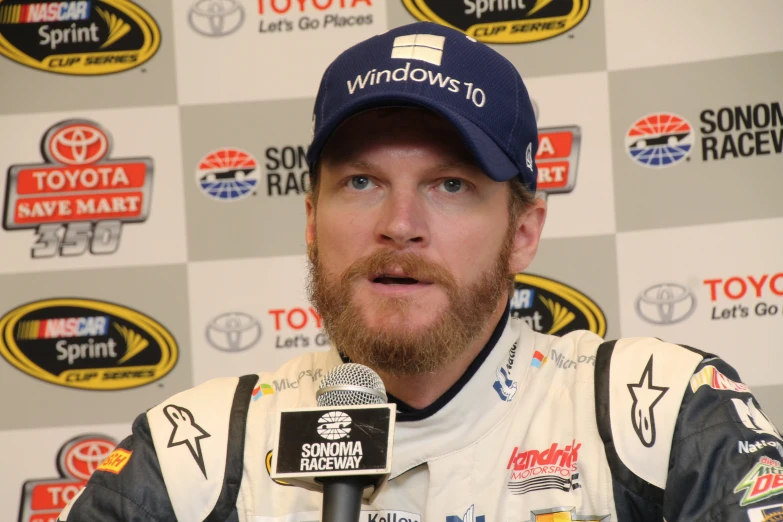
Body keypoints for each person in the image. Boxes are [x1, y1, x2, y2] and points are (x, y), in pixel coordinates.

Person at [59, 22, 783, 522]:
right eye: (362, 183)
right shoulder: (195, 449)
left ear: (522, 232)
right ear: (310, 221)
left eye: (449, 185)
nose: (399, 224)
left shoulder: (658, 411)